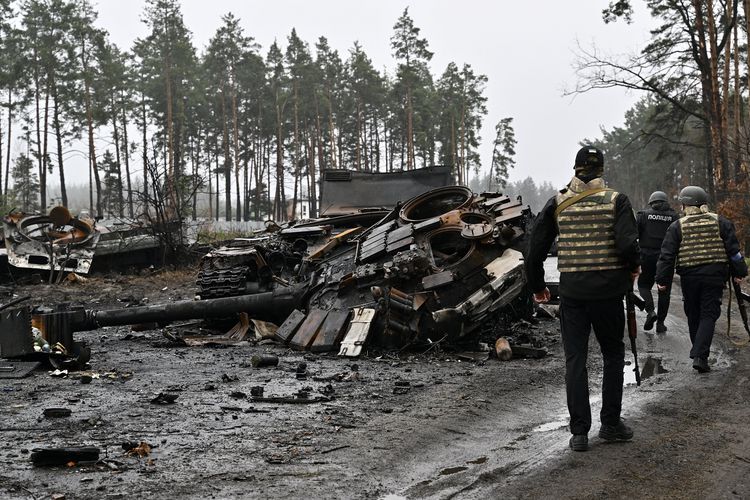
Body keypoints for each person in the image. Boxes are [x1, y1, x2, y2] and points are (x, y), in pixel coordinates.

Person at [525, 146, 641, 452]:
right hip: (608, 294)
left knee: (575, 359)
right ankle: (611, 424)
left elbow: (534, 251)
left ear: (575, 168)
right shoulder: (617, 200)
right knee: (613, 355)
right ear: (601, 169)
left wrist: (538, 287)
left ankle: (579, 433)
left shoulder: (558, 202)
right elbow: (628, 245)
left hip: (573, 294)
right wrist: (634, 269)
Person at [655, 186, 748, 373]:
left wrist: (662, 279)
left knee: (693, 314)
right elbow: (734, 252)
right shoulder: (720, 222)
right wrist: (740, 272)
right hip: (714, 276)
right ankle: (700, 355)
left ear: (685, 204)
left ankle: (699, 354)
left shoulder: (677, 226)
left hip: (690, 277)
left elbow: (667, 256)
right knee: (709, 314)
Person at [636, 191, 678, 333]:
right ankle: (660, 324)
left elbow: (635, 234)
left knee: (643, 285)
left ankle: (650, 311)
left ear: (651, 202)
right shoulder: (674, 217)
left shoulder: (643, 215)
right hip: (666, 258)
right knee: (664, 290)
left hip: (646, 256)